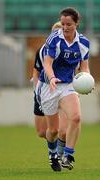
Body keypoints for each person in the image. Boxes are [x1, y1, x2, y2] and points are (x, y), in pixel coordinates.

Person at [38, 7, 91, 171]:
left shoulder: (83, 43)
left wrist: (87, 81)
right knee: (53, 130)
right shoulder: (54, 38)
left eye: (69, 24)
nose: (65, 27)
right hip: (49, 85)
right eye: (63, 24)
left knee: (75, 118)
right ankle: (52, 154)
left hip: (68, 84)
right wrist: (52, 77)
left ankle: (68, 155)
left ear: (76, 24)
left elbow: (84, 68)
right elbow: (47, 63)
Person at [32, 22, 68, 167]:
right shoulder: (42, 51)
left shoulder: (71, 50)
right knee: (43, 132)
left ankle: (57, 156)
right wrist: (36, 91)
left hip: (64, 90)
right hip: (46, 90)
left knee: (62, 131)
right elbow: (36, 70)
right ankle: (53, 147)